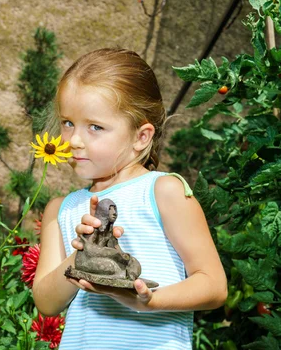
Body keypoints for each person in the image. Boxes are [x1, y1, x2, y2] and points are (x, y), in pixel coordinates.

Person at [32, 48, 227, 350]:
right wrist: (84, 255)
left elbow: (214, 285)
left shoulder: (164, 191)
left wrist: (149, 302)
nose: (73, 140)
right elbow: (45, 301)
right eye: (67, 122)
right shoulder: (61, 209)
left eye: (95, 127)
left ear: (141, 137)